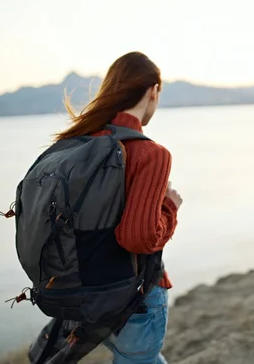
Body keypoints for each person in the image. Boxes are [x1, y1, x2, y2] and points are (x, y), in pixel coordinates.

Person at [54, 51, 182, 364]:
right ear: (153, 91)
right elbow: (137, 239)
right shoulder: (150, 153)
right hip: (133, 298)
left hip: (84, 292)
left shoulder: (81, 142)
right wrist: (169, 206)